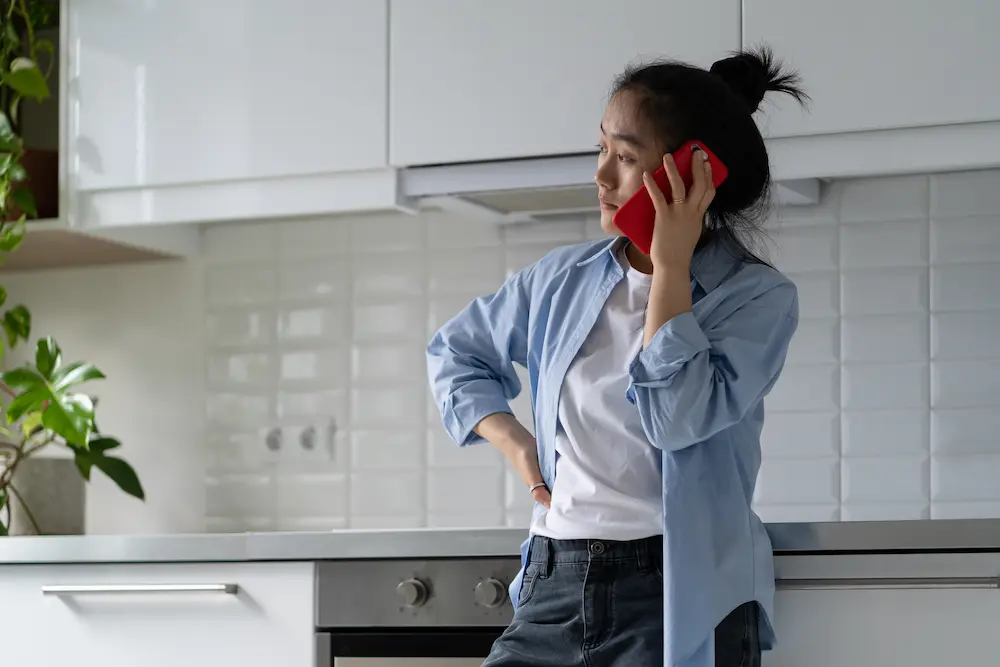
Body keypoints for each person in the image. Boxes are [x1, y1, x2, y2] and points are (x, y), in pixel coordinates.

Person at [426, 46, 808, 667]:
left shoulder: (757, 299)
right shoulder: (559, 280)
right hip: (553, 583)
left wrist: (672, 265)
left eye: (626, 157)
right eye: (601, 149)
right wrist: (518, 445)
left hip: (677, 592)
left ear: (695, 173)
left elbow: (677, 420)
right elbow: (455, 352)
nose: (602, 177)